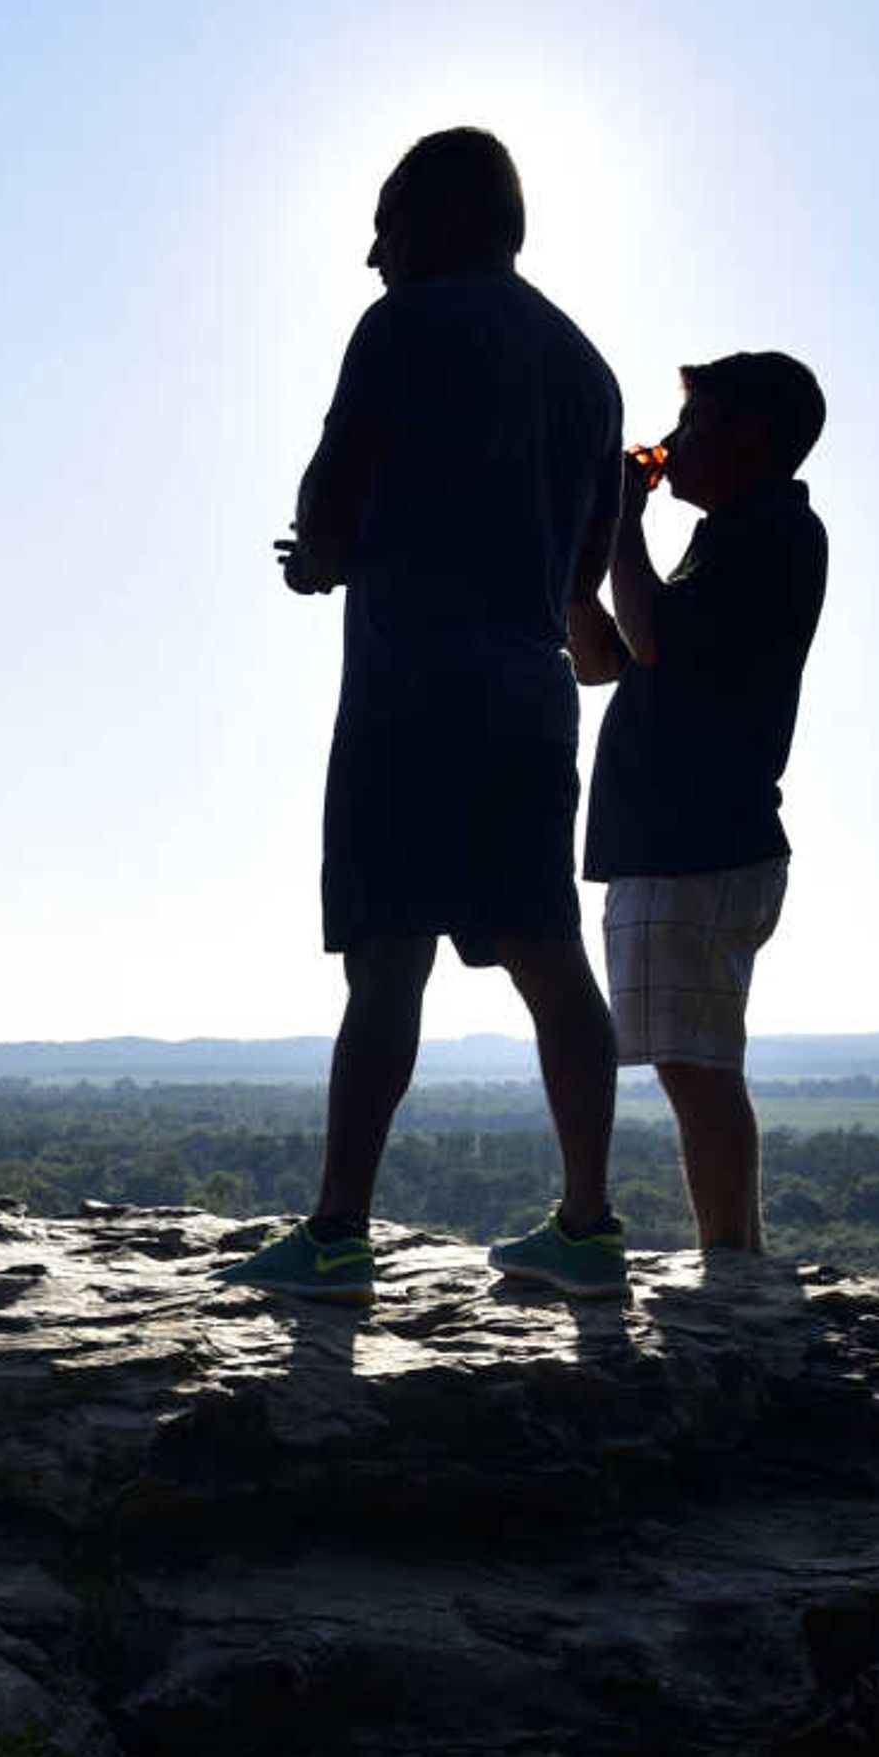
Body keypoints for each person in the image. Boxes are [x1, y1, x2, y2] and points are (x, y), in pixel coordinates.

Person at [229, 127, 634, 1305]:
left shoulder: (409, 323)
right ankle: (589, 1227)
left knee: (387, 963)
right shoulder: (588, 368)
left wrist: (319, 559)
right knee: (552, 961)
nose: (372, 254)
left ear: (457, 215)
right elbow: (586, 567)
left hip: (412, 693)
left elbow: (338, 478)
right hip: (531, 698)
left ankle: (338, 1235)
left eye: (389, 221)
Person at [568, 353, 830, 1264]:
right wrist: (590, 550)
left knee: (696, 1065)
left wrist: (623, 525)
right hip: (692, 837)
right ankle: (735, 1255)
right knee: (697, 1059)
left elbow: (648, 642)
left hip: (695, 839)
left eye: (690, 427)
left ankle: (732, 1261)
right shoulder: (737, 535)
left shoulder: (765, 534)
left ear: (749, 433)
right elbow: (605, 659)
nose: (670, 447)